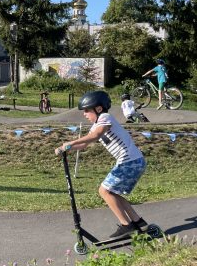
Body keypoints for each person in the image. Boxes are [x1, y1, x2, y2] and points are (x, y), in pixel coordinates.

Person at [54, 91, 150, 239]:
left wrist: (71, 143)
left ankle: (127, 225)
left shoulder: (105, 118)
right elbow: (86, 143)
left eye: (87, 110)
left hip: (130, 161)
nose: (84, 114)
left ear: (98, 109)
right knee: (113, 193)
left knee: (104, 191)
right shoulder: (97, 124)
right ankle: (138, 222)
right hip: (133, 161)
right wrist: (66, 148)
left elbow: (95, 136)